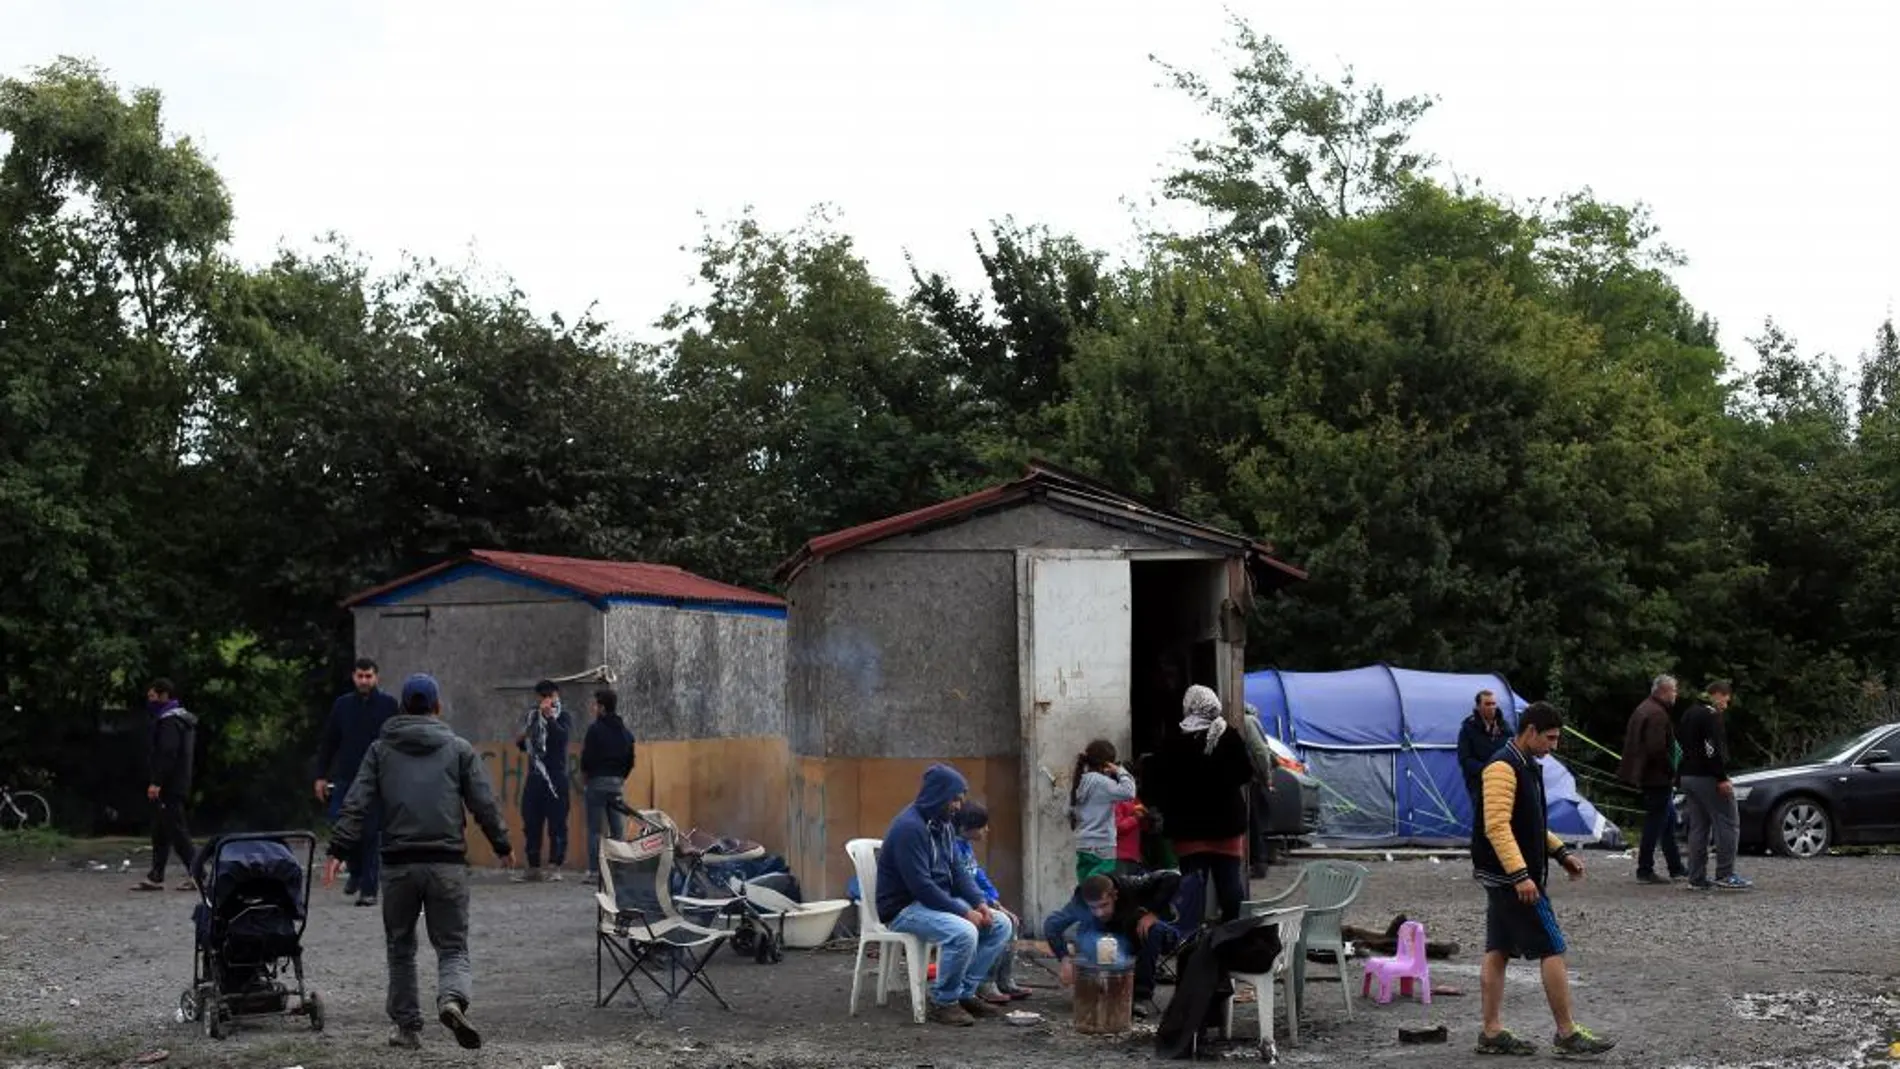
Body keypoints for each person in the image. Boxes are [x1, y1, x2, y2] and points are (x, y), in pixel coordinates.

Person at [326, 673, 515, 1051]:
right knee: (453, 946)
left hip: (397, 865)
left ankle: (407, 1029)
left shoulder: (380, 750)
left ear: (401, 707)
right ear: (437, 707)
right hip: (446, 863)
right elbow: (483, 801)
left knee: (400, 947)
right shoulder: (459, 748)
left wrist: (338, 849)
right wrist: (501, 843)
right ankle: (451, 999)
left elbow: (357, 801)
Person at [1471, 701, 1615, 1057]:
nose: (1554, 746)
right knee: (1552, 947)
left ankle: (1491, 1032)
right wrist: (1521, 875)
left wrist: (1561, 853)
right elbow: (1497, 826)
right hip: (1511, 879)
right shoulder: (1503, 768)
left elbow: (1531, 823)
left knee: (1498, 949)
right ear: (1530, 731)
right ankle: (1566, 1033)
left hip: (1503, 875)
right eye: (1550, 738)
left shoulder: (1525, 764)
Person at [875, 763, 1014, 1026]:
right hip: (904, 908)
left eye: (960, 799)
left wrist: (979, 903)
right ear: (938, 795)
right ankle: (944, 1001)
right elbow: (922, 887)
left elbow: (958, 871)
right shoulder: (909, 828)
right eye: (954, 799)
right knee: (963, 932)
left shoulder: (944, 825)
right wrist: (964, 912)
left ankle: (965, 992)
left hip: (932, 901)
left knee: (1000, 924)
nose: (958, 806)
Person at [1155, 685, 1254, 924]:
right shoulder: (1229, 735)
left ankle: (1191, 938)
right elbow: (1245, 773)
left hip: (1189, 828)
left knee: (1191, 888)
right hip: (1226, 826)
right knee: (1229, 884)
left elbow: (1161, 781)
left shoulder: (1176, 739)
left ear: (1189, 706)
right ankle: (1233, 934)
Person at [314, 657, 400, 906]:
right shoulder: (342, 706)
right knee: (343, 827)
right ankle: (357, 872)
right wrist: (321, 775)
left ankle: (369, 889)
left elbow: (397, 741)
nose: (364, 680)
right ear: (353, 677)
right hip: (347, 777)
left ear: (376, 677)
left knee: (371, 833)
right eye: (360, 676)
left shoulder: (388, 706)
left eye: (369, 676)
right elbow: (329, 741)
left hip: (377, 779)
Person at [1045, 870, 1184, 1016]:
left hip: (1138, 932)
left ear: (1115, 895)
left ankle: (1141, 996)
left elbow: (1172, 876)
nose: (1099, 913)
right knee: (1088, 935)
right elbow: (1052, 924)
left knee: (1153, 931)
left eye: (1104, 905)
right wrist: (1064, 958)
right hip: (1111, 938)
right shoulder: (1079, 901)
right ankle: (1102, 988)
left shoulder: (1131, 885)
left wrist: (1153, 912)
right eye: (1093, 907)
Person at [950, 803, 1032, 1003]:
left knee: (1012, 921)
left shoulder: (966, 848)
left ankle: (1003, 979)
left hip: (975, 901)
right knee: (1000, 924)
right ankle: (985, 981)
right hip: (958, 903)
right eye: (982, 826)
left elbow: (978, 877)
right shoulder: (953, 849)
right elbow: (963, 884)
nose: (986, 830)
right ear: (965, 828)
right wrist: (989, 905)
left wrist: (993, 900)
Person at [1677, 681, 1752, 891]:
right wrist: (1721, 777)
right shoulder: (1710, 715)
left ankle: (1696, 877)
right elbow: (1711, 749)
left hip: (1687, 775)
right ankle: (1725, 873)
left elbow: (1680, 743)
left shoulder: (1689, 712)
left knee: (1699, 827)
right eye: (1725, 700)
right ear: (1717, 694)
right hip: (1707, 776)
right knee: (1728, 822)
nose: (1725, 706)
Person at [1617, 674, 1686, 884]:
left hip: (1647, 775)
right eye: (1674, 691)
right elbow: (1657, 748)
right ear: (1664, 691)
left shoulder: (1643, 708)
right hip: (1656, 777)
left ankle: (1676, 867)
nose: (1676, 695)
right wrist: (1669, 770)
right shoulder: (1657, 714)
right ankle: (1645, 869)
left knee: (1667, 821)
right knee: (1655, 823)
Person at [133, 679, 198, 893]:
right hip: (177, 782)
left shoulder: (170, 722)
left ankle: (198, 873)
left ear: (164, 696)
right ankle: (156, 875)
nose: (149, 700)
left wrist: (157, 782)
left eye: (152, 696)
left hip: (170, 785)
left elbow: (167, 753)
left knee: (176, 830)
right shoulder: (182, 720)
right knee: (161, 830)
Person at [513, 680, 571, 882]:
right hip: (535, 777)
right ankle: (533, 866)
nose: (545, 701)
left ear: (556, 696)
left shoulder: (563, 716)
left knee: (557, 824)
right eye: (541, 697)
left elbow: (562, 739)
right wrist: (522, 737)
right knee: (531, 822)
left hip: (556, 778)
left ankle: (555, 866)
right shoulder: (532, 716)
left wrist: (550, 718)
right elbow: (524, 745)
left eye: (549, 696)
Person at [579, 687, 635, 887]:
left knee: (595, 830)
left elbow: (587, 758)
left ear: (602, 707)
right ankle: (619, 870)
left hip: (597, 782)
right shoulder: (625, 732)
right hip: (617, 783)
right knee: (617, 829)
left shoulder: (595, 730)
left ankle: (594, 872)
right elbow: (630, 759)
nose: (593, 708)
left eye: (595, 705)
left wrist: (587, 777)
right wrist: (620, 778)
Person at [1071, 739, 1137, 883]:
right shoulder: (1102, 783)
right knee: (1100, 889)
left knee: (1085, 888)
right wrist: (1120, 771)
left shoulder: (1080, 781)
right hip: (1102, 845)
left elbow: (1068, 810)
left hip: (1083, 844)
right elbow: (1129, 792)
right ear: (1108, 763)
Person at [1458, 689, 1510, 808]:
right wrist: (1487, 769)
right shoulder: (1468, 729)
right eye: (1487, 704)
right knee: (1482, 819)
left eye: (1493, 703)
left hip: (1503, 781)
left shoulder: (1505, 727)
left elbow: (1512, 750)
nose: (1492, 707)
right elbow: (1465, 759)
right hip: (1479, 784)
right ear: (1478, 707)